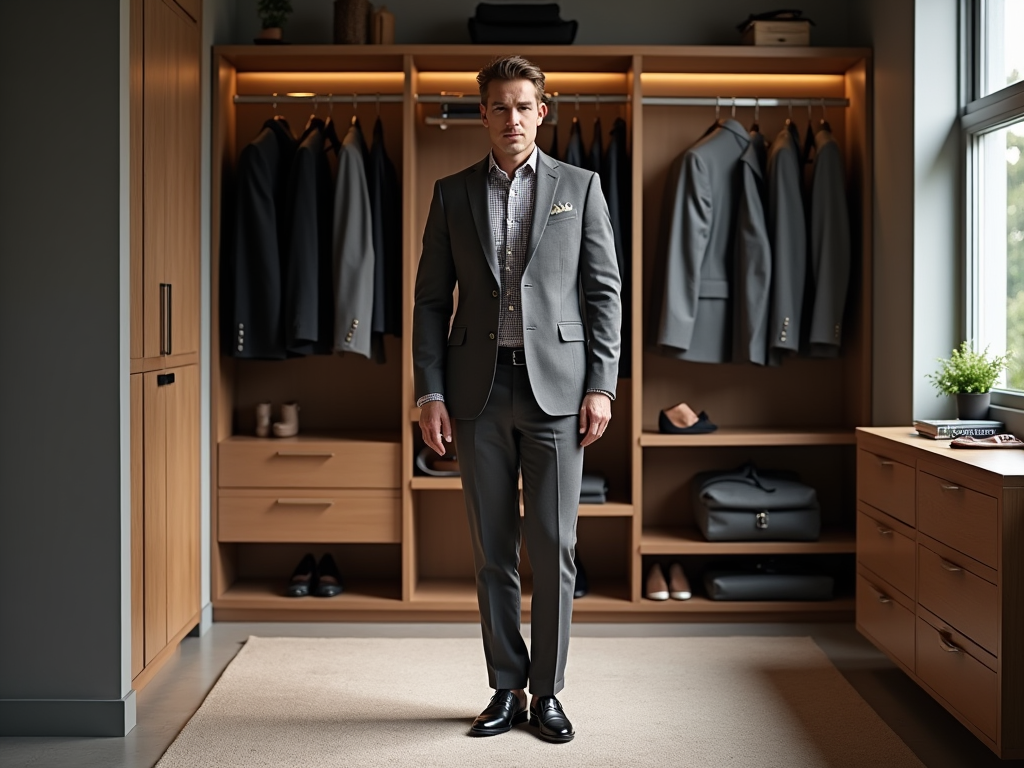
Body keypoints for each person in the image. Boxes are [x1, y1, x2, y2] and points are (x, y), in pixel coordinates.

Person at [412, 55, 621, 744]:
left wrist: (600, 384)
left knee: (556, 545)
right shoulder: (451, 193)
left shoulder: (581, 187)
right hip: (477, 390)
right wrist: (430, 392)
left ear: (543, 110)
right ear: (483, 114)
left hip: (557, 391)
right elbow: (430, 302)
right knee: (491, 549)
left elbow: (603, 295)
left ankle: (547, 692)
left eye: (523, 105)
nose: (511, 118)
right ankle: (504, 686)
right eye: (498, 106)